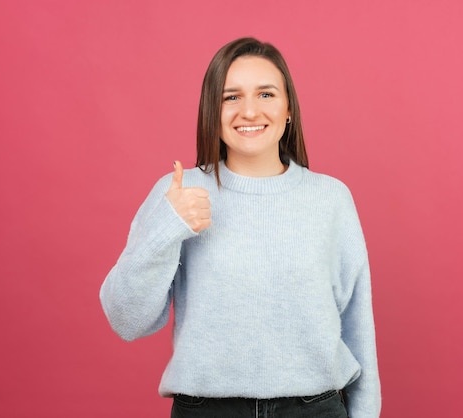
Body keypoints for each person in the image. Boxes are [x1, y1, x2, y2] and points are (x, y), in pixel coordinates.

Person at [100, 37, 381, 418]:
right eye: (231, 97)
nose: (249, 111)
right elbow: (126, 320)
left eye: (266, 94)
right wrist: (168, 226)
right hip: (207, 411)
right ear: (211, 112)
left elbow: (357, 323)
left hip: (315, 409)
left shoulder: (330, 199)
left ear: (288, 111)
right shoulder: (180, 194)